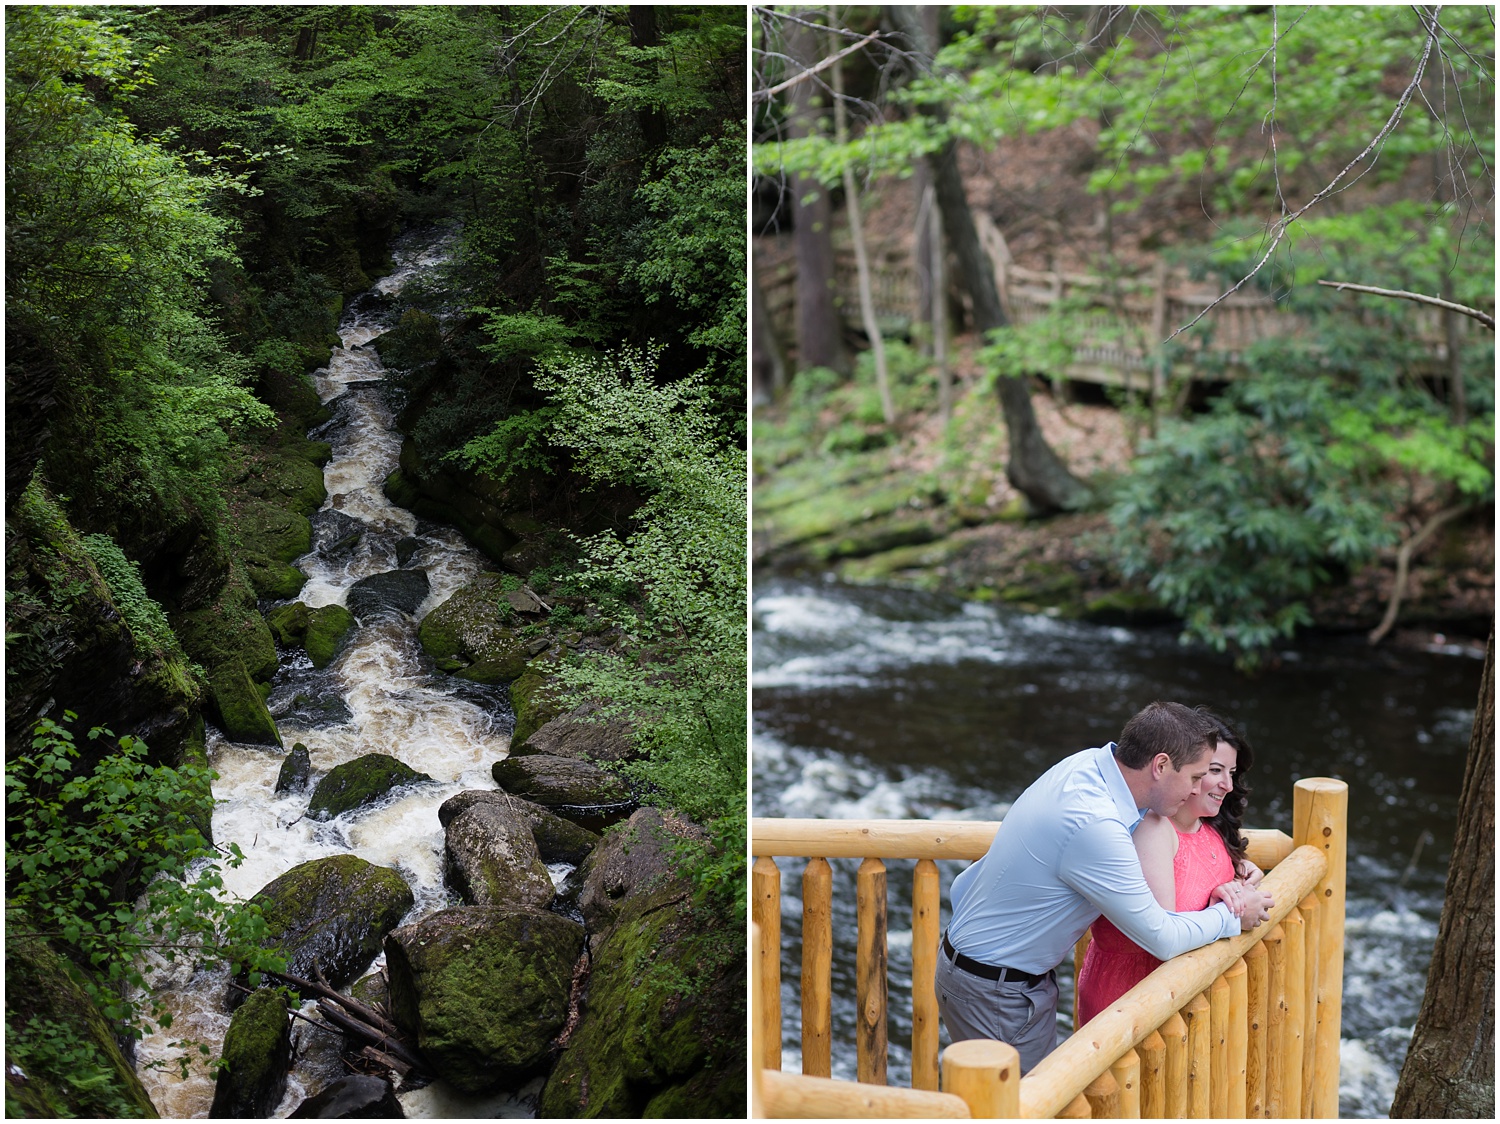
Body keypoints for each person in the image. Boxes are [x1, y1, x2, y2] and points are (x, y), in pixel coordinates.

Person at [936, 701, 1273, 1074]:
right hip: (996, 989)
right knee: (1023, 1108)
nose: (1198, 788)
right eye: (1195, 777)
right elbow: (1161, 937)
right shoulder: (1095, 824)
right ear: (1160, 766)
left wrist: (1229, 867)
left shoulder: (1089, 765)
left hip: (998, 973)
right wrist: (1232, 915)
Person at [1074, 710, 1262, 1026]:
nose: (1227, 785)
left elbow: (1203, 883)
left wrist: (1237, 880)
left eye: (1231, 772)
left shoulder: (1211, 830)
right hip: (1133, 1000)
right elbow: (1164, 934)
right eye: (1214, 770)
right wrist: (1228, 910)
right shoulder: (1153, 828)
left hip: (1188, 1001)